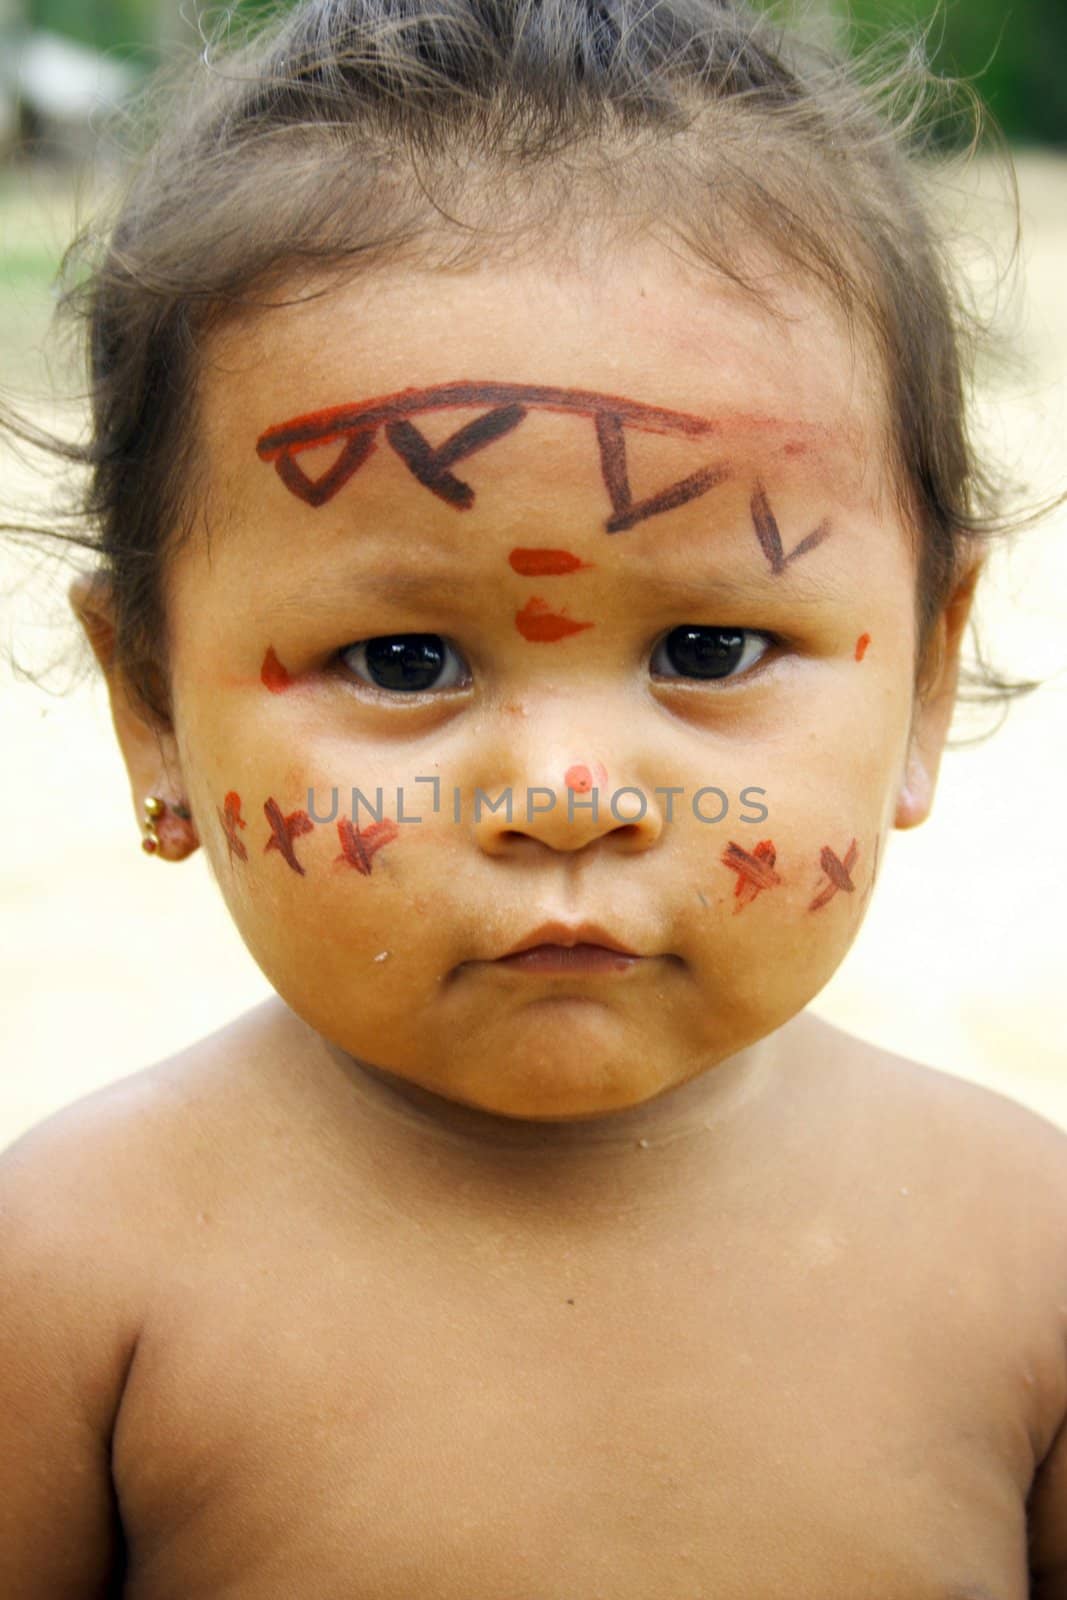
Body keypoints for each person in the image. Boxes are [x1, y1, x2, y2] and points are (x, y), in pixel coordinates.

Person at [2, 0, 1065, 1592]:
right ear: (151, 710)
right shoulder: (67, 1282)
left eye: (709, 645)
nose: (566, 796)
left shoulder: (1029, 1261)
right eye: (405, 657)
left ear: (925, 678)